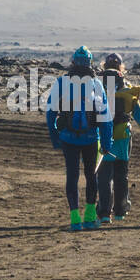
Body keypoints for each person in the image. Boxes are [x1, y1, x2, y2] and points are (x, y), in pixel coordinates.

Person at [45, 46, 113, 231]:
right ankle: (90, 217)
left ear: (73, 62)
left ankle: (75, 219)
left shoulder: (62, 82)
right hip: (91, 138)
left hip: (68, 138)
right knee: (91, 176)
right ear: (90, 63)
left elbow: (50, 113)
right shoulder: (96, 84)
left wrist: (55, 138)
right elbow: (105, 117)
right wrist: (107, 143)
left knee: (72, 176)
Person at [95, 52, 140, 223]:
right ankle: (121, 210)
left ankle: (105, 212)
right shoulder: (127, 88)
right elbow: (138, 115)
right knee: (121, 174)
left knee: (105, 176)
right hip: (123, 137)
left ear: (104, 67)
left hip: (104, 136)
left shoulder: (98, 87)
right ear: (121, 67)